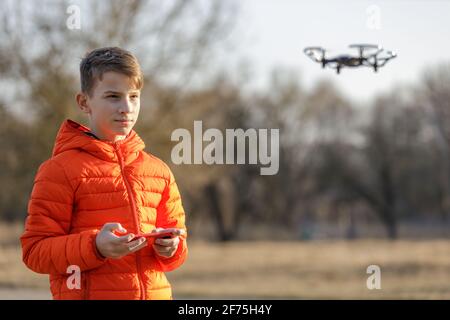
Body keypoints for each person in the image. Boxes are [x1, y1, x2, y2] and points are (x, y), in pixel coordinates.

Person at [20, 47, 188, 300]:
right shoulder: (59, 170)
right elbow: (35, 252)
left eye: (134, 96)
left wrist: (171, 248)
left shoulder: (159, 171)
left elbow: (177, 253)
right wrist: (95, 246)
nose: (126, 108)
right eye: (113, 96)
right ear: (84, 102)